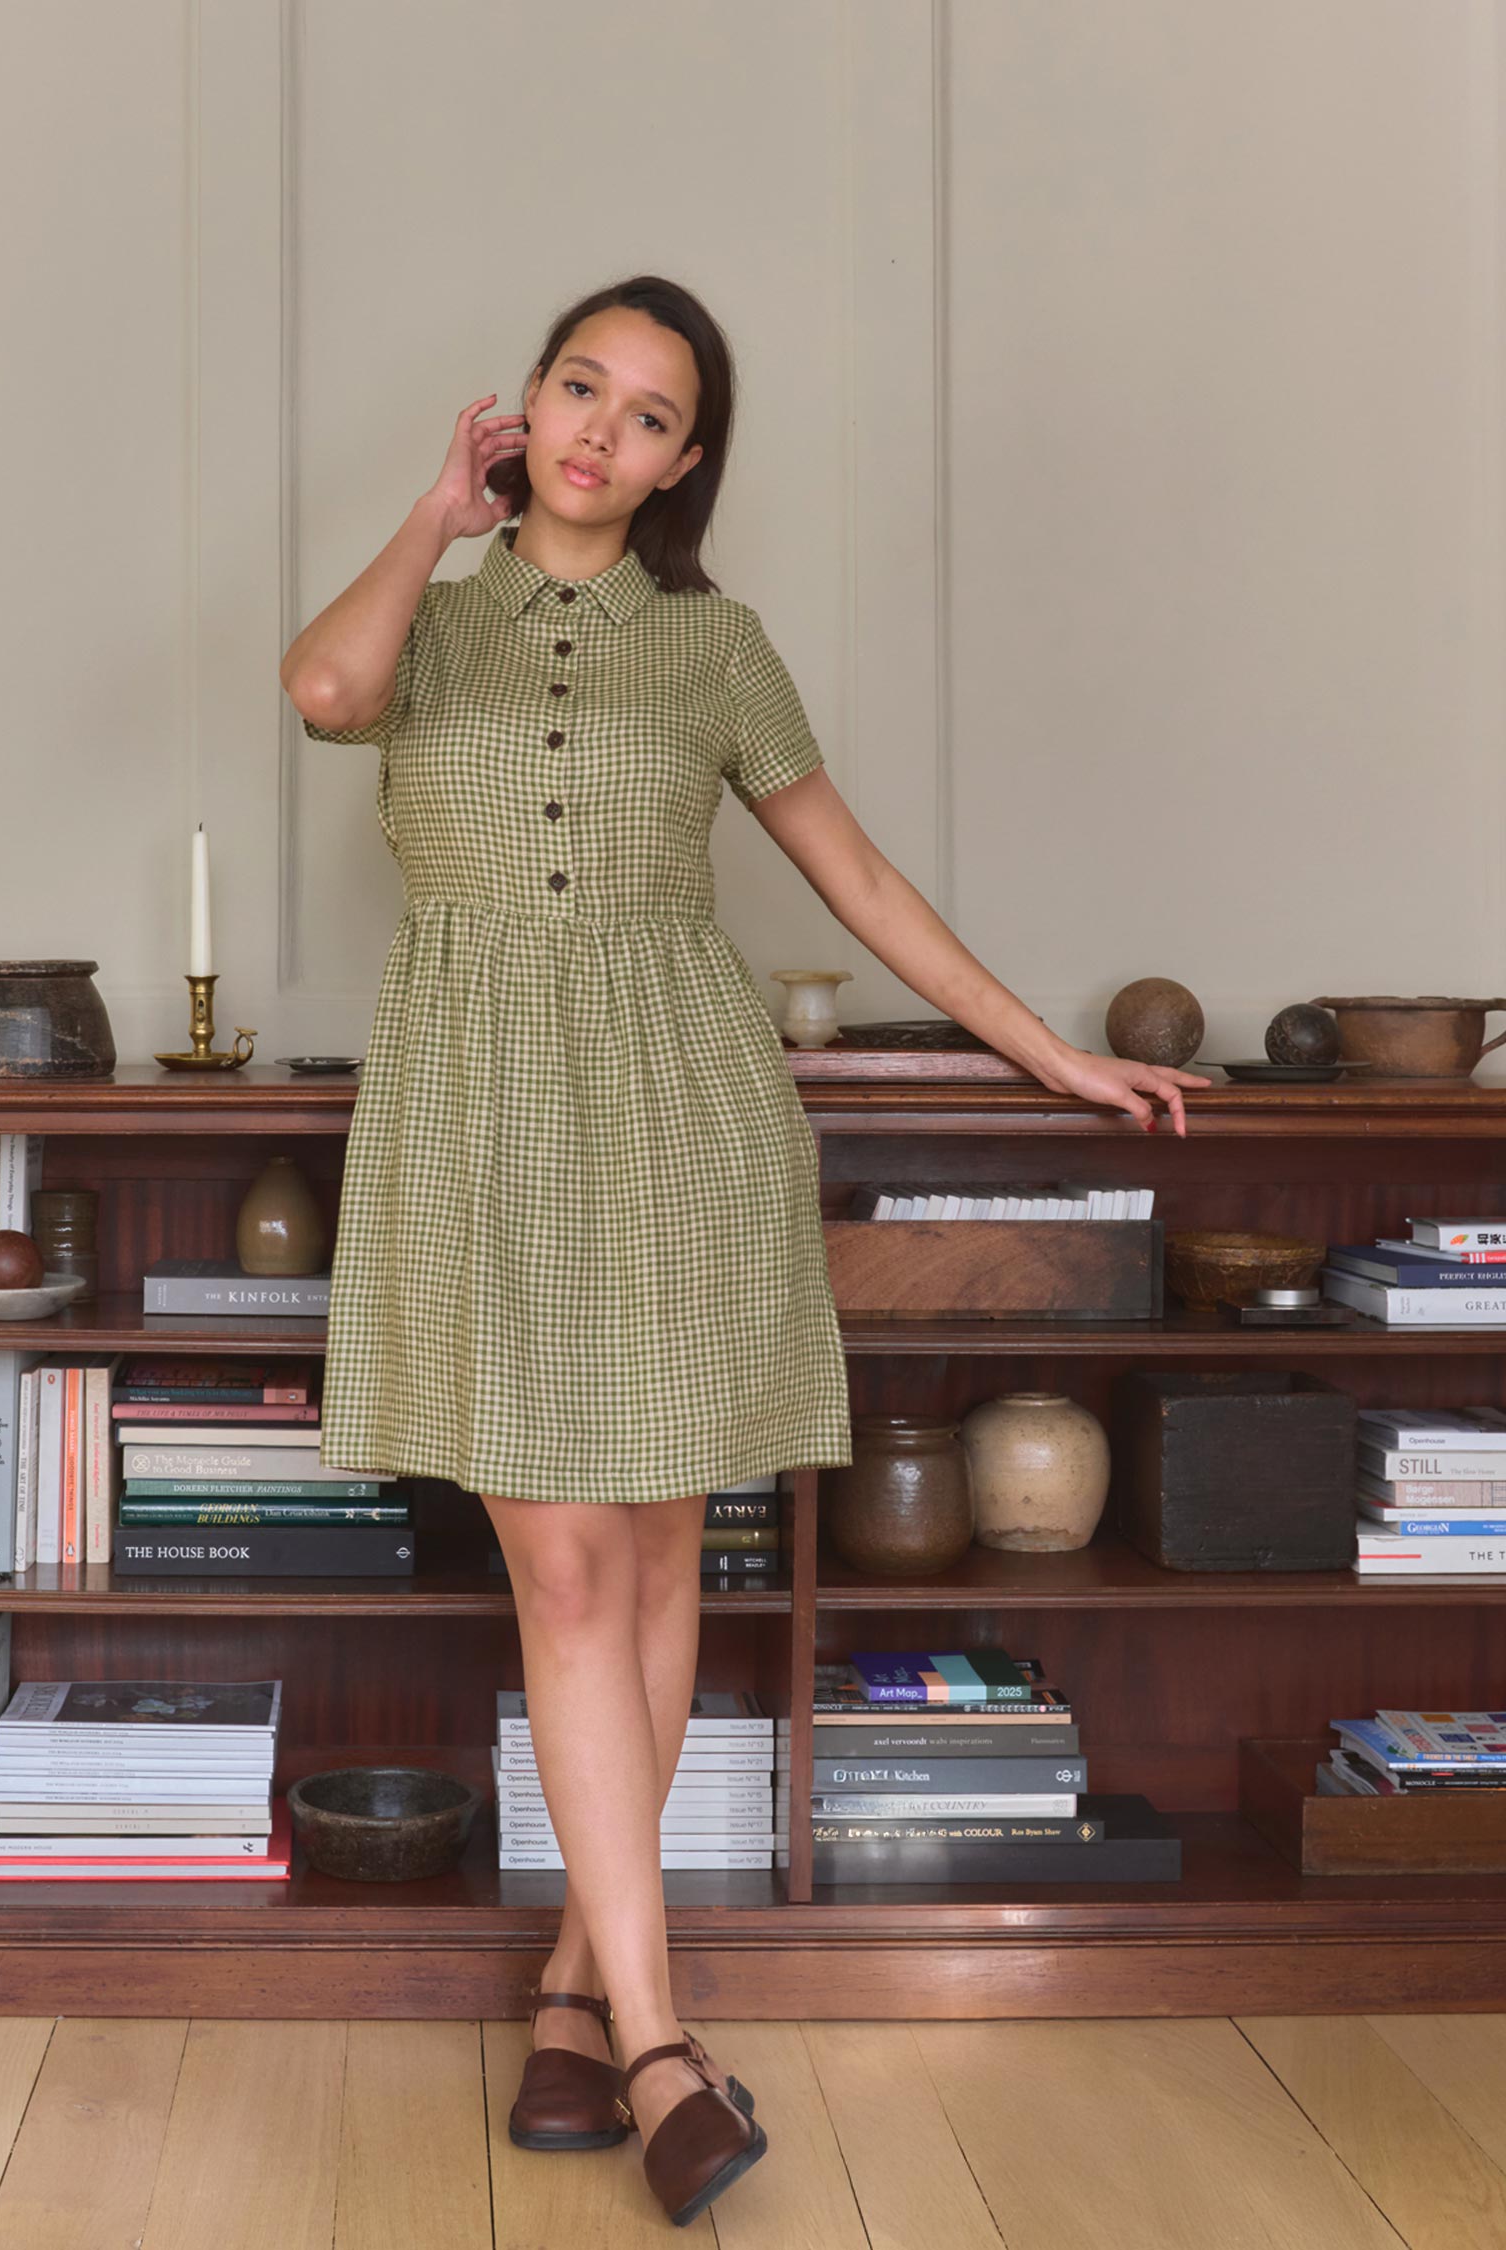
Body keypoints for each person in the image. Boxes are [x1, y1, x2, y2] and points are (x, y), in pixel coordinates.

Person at [280, 273, 1210, 2227]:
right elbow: (322, 695)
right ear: (524, 407)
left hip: (682, 1107)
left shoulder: (716, 649)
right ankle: (657, 2039)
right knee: (557, 1556)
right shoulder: (430, 624)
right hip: (478, 1104)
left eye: (649, 412)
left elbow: (855, 873)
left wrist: (1047, 1050)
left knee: (646, 1547)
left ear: (690, 461)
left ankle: (568, 1994)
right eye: (578, 386)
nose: (604, 429)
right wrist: (428, 520)